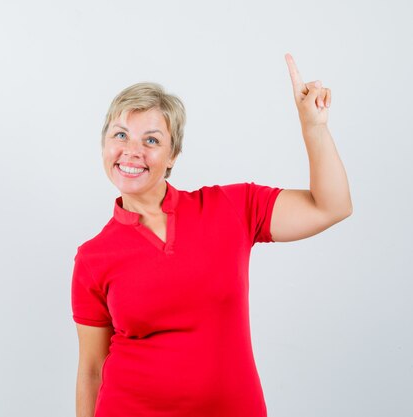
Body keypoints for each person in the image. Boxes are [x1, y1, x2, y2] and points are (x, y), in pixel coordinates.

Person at [70, 53, 352, 417]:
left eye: (152, 140)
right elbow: (91, 370)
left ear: (173, 155)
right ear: (104, 145)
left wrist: (313, 127)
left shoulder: (231, 207)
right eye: (120, 134)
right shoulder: (93, 257)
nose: (132, 151)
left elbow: (331, 206)